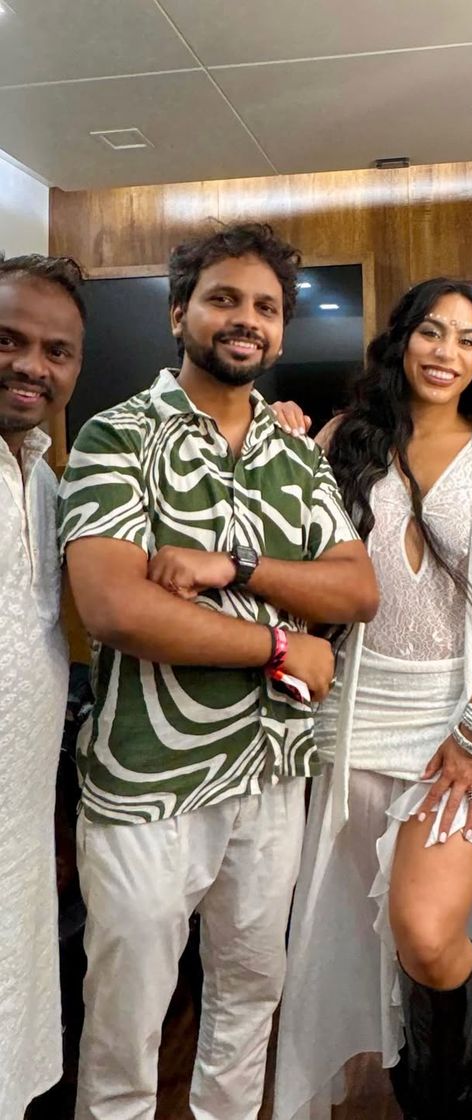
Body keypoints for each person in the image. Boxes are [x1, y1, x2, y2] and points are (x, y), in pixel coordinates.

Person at [57, 222, 378, 1120]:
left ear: (280, 331)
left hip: (271, 773)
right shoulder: (118, 435)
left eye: (266, 308)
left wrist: (232, 569)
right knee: (126, 1027)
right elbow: (118, 609)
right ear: (178, 314)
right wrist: (280, 645)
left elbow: (357, 588)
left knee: (246, 1003)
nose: (247, 320)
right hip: (146, 779)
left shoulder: (294, 454)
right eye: (224, 299)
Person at [271, 278, 472, 1119]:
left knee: (426, 930)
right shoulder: (344, 440)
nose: (447, 353)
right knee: (366, 931)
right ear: (402, 339)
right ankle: (422, 1093)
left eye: (468, 340)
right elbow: (295, 554)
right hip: (360, 709)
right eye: (432, 332)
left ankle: (455, 1094)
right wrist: (280, 434)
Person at [0, 254, 86, 1120]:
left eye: (56, 352)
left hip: (20, 820)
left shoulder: (48, 481)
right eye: (8, 340)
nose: (32, 365)